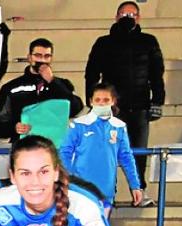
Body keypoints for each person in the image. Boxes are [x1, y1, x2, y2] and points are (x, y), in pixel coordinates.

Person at [84, 1, 165, 192]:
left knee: (138, 154)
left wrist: (158, 101)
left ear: (138, 18)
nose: (127, 18)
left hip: (140, 106)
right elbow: (92, 74)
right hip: (112, 108)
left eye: (132, 15)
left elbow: (156, 74)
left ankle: (139, 191)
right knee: (106, 152)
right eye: (123, 14)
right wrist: (93, 101)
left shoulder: (149, 41)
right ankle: (106, 193)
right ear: (116, 16)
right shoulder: (103, 43)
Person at [60, 83, 145, 212]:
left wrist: (135, 186)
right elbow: (64, 153)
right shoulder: (78, 125)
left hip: (106, 190)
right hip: (80, 189)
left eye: (106, 100)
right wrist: (68, 180)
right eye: (97, 100)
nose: (101, 104)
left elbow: (127, 158)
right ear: (91, 101)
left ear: (113, 101)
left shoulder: (119, 127)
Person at [0, 38, 83, 142]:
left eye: (47, 56)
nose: (42, 60)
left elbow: (76, 108)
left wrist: (52, 81)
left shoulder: (62, 84)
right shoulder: (11, 87)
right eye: (38, 55)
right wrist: (14, 127)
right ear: (29, 57)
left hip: (54, 146)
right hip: (23, 146)